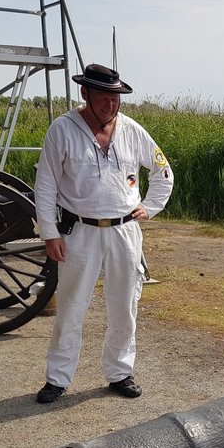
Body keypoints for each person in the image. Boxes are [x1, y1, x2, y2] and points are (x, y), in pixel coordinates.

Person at [33, 63, 174, 404]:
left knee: (125, 304)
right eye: (103, 97)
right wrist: (49, 232)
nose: (111, 104)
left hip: (124, 231)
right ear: (86, 94)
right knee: (71, 306)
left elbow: (163, 171)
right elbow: (46, 184)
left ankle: (120, 372)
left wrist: (150, 206)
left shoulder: (132, 130)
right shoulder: (62, 129)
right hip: (79, 231)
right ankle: (58, 377)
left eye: (115, 97)